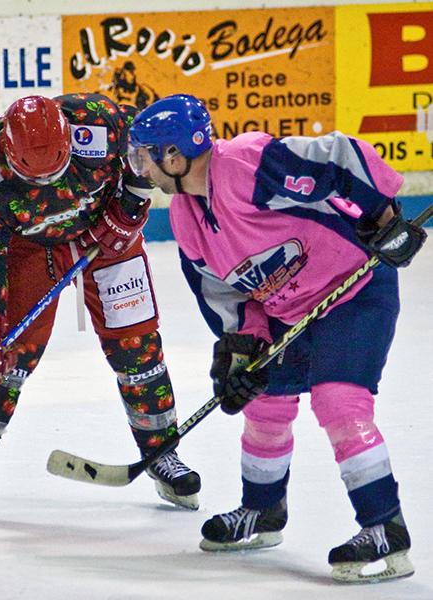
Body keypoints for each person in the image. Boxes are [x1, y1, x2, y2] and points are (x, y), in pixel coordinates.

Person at [129, 94, 426, 582]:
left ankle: (383, 528)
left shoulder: (247, 164)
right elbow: (221, 291)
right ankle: (263, 512)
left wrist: (383, 217)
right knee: (264, 403)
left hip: (354, 291)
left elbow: (339, 156)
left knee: (339, 402)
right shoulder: (185, 215)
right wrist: (241, 349)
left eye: (145, 154)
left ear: (175, 156)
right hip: (287, 310)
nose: (139, 164)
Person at [0, 93, 201, 519]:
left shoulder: (96, 119)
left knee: (137, 348)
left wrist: (131, 204)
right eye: (34, 177)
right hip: (28, 248)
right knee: (6, 356)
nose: (48, 185)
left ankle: (162, 453)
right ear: (8, 152)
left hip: (106, 235)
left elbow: (144, 149)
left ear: (68, 138)